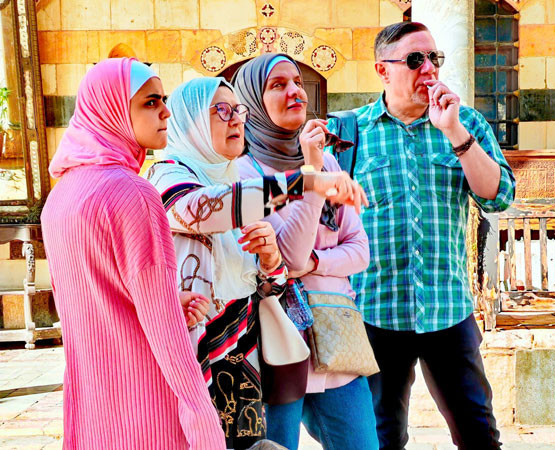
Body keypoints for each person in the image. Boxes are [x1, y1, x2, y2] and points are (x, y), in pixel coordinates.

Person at [145, 76, 367, 449]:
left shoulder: (233, 180)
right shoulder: (167, 174)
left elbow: (269, 288)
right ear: (190, 121)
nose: (236, 119)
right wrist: (304, 183)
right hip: (190, 352)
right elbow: (197, 209)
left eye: (238, 110)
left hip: (241, 358)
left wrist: (269, 259)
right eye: (221, 110)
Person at [328, 22, 516, 449]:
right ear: (383, 70)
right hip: (374, 310)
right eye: (415, 60)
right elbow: (322, 220)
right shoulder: (348, 134)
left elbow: (498, 196)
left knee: (479, 434)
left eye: (434, 58)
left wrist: (454, 132)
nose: (429, 68)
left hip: (447, 307)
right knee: (381, 439)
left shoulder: (466, 123)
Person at [41, 58, 226, 449]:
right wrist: (201, 418)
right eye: (150, 102)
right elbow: (166, 332)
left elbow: (94, 301)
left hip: (95, 411)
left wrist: (167, 298)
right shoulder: (134, 193)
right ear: (111, 110)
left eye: (163, 100)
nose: (165, 112)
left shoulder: (60, 198)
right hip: (148, 409)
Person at [234, 53, 379, 450]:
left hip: (335, 337)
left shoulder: (327, 160)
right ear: (253, 101)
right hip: (277, 347)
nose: (294, 91)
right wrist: (311, 176)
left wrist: (316, 262)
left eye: (297, 82)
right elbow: (288, 257)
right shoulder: (243, 172)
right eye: (277, 85)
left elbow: (360, 251)